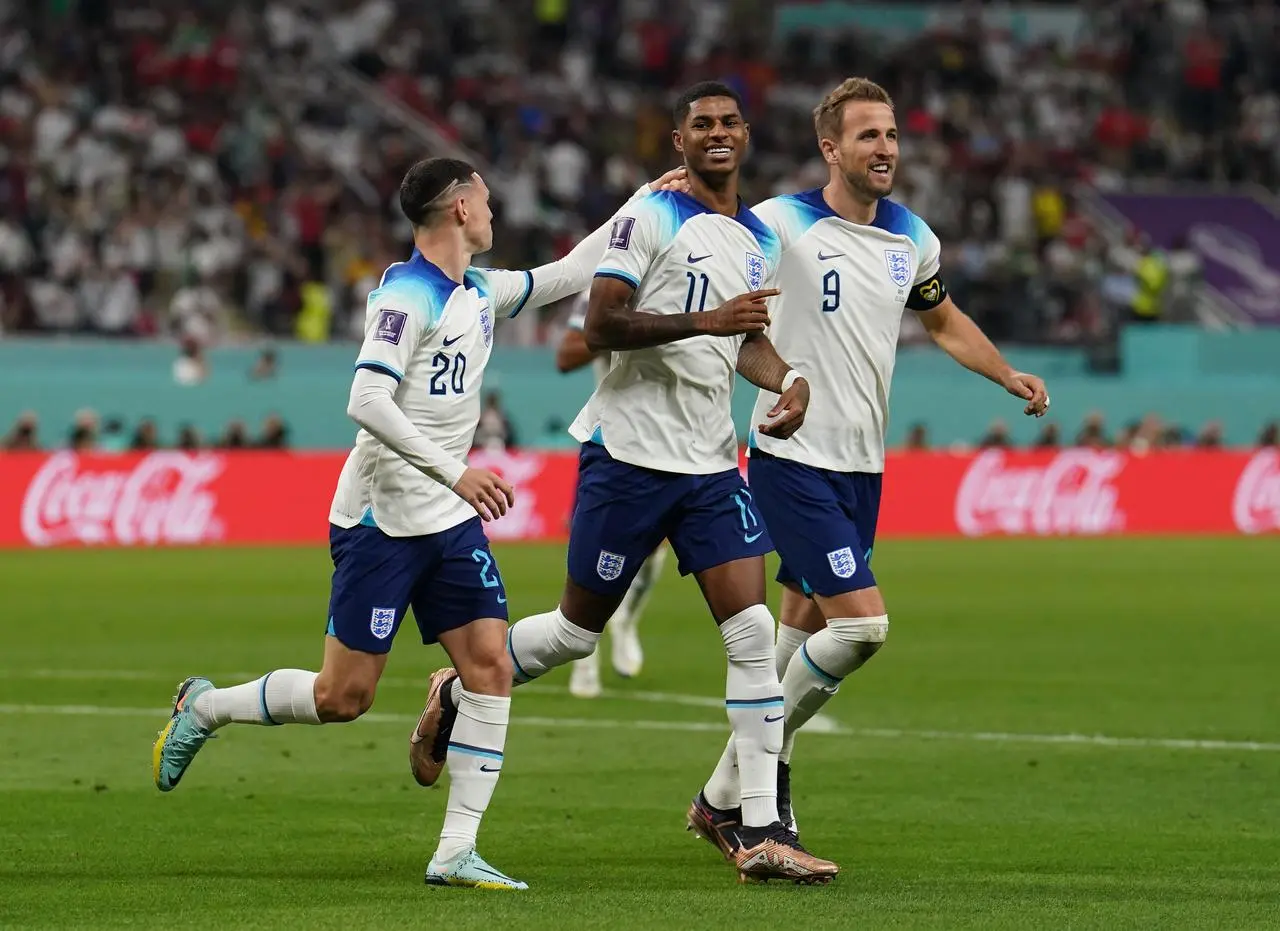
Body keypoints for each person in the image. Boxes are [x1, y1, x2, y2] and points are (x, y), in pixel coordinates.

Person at [151, 156, 687, 891]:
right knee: (343, 698)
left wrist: (643, 204)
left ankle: (454, 850)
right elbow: (366, 400)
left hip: (447, 522)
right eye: (488, 200)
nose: (495, 211)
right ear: (461, 208)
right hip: (381, 519)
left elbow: (568, 272)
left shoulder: (477, 291)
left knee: (491, 665)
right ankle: (205, 706)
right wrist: (457, 471)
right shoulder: (407, 296)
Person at [415, 81, 839, 885]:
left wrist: (788, 380)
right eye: (700, 124)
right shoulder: (650, 218)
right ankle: (460, 682)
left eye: (728, 123)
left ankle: (759, 830)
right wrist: (704, 321)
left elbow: (744, 341)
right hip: (629, 459)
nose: (717, 134)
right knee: (577, 632)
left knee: (751, 635)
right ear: (678, 139)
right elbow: (601, 322)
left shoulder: (755, 239)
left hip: (711, 464)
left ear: (746, 136)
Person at [687, 77, 1050, 858]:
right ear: (831, 148)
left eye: (890, 135)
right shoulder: (780, 221)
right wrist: (667, 195)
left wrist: (1006, 373)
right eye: (867, 136)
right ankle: (763, 778)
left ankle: (721, 799)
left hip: (861, 465)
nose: (884, 148)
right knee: (864, 625)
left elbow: (944, 320)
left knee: (805, 627)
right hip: (791, 456)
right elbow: (712, 251)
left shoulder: (911, 238)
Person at [553, 292, 663, 698]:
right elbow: (565, 355)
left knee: (655, 554)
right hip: (613, 440)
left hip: (670, 440)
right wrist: (630, 325)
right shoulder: (607, 286)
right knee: (589, 557)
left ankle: (626, 621)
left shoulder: (686, 273)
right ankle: (585, 664)